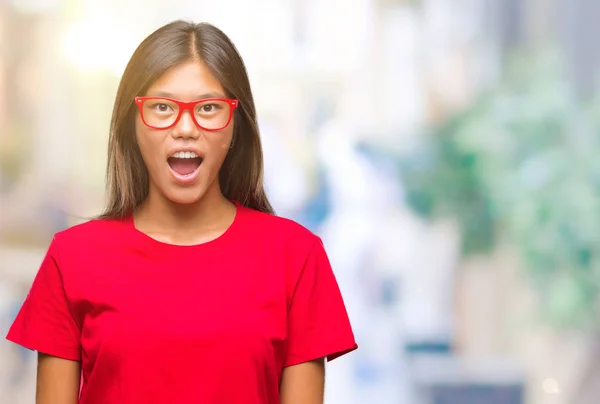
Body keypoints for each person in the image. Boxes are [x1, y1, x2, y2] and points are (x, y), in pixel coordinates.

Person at [5, 20, 357, 404]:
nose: (185, 127)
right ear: (132, 125)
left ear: (235, 127)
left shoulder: (296, 258)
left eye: (208, 107)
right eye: (161, 107)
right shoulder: (72, 258)